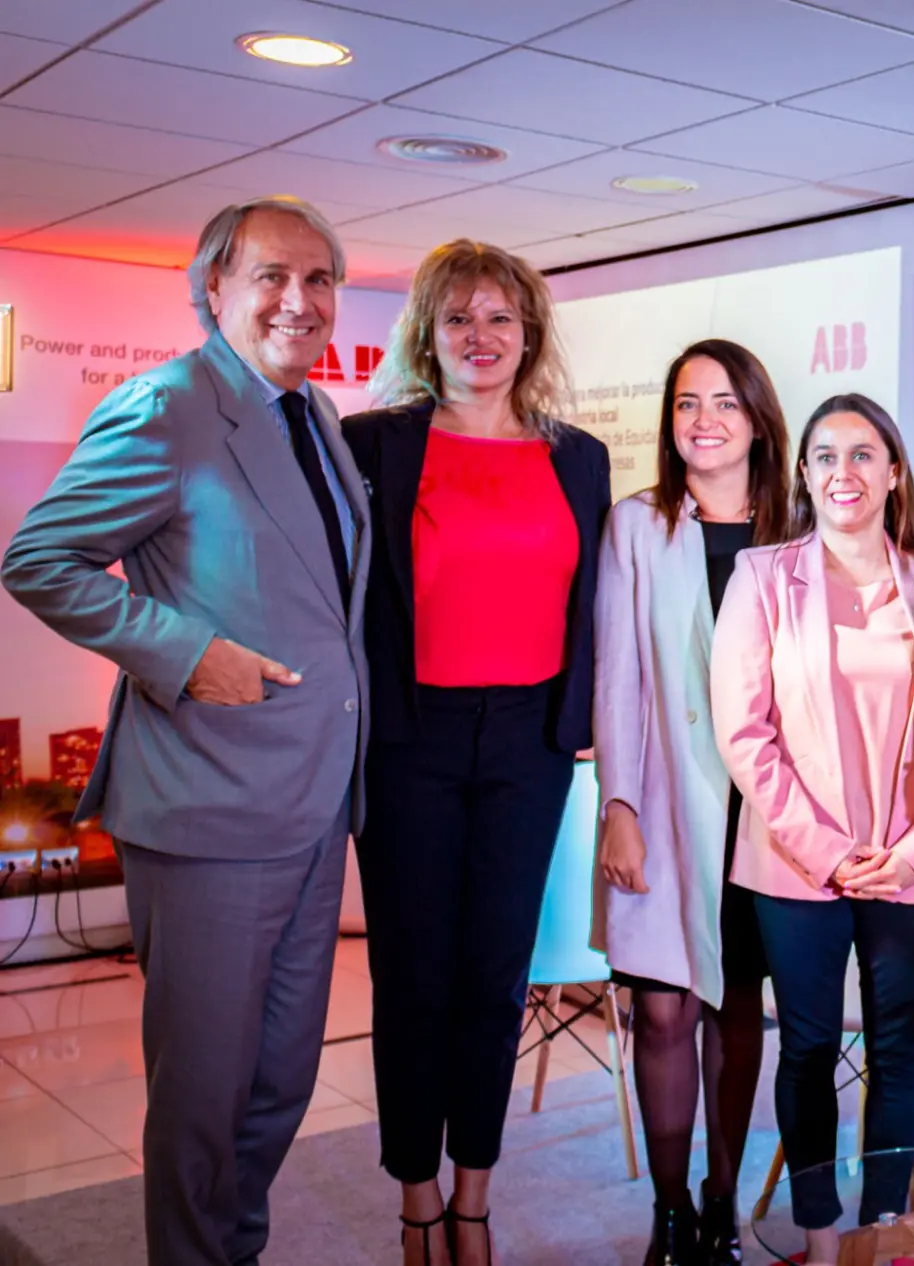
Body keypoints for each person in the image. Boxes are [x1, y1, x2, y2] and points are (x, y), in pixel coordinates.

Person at [2, 196, 367, 1266]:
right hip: (209, 804)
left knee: (279, 1082)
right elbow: (39, 559)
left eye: (318, 278)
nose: (298, 300)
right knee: (205, 1097)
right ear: (214, 288)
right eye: (270, 276)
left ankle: (227, 1251)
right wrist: (186, 652)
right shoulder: (166, 405)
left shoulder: (315, 413)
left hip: (312, 803)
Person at [342, 240, 611, 1266]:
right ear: (427, 334)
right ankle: (416, 1197)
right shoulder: (373, 444)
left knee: (497, 978)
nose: (480, 336)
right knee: (414, 976)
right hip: (409, 740)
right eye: (458, 317)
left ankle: (474, 1197)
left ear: (529, 332)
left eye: (500, 316)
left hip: (530, 744)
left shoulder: (576, 456)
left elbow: (591, 603)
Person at [712, 394, 914, 1266]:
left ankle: (880, 1237)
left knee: (897, 1050)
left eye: (863, 455)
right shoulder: (761, 577)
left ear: (894, 473)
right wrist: (829, 854)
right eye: (825, 456)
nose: (842, 472)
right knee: (810, 1048)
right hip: (795, 866)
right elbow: (744, 735)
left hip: (910, 864)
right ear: (805, 474)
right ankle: (822, 1240)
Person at [593, 338, 791, 1266]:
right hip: (665, 798)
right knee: (665, 1009)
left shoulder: (793, 527)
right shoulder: (638, 524)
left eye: (723, 403)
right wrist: (619, 807)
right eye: (685, 403)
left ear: (758, 419)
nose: (703, 421)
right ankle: (668, 1211)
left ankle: (721, 1201)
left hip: (763, 808)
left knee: (735, 1006)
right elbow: (617, 675)